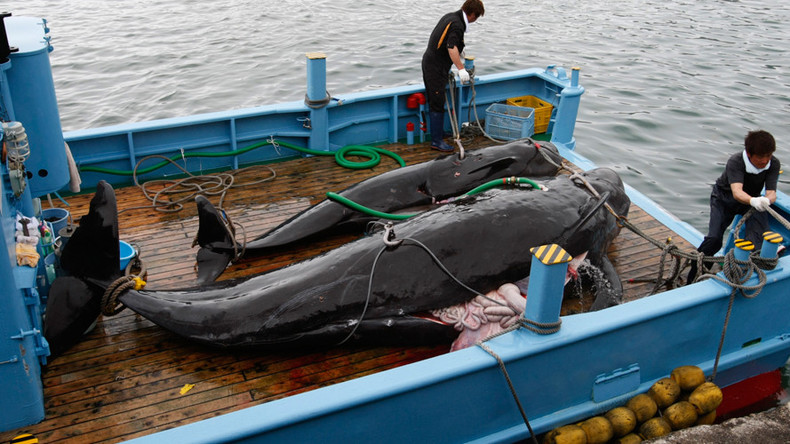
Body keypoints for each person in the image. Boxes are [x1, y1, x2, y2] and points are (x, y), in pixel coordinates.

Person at [688, 129, 781, 282]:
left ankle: (743, 276)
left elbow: (772, 192)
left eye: (768, 155)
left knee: (758, 240)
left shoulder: (773, 163)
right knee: (714, 240)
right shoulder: (736, 161)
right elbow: (737, 192)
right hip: (724, 200)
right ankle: (694, 275)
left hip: (752, 201)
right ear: (749, 154)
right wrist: (753, 201)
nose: (765, 160)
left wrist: (766, 201)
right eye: (760, 157)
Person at [421, 0, 485, 152]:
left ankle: (439, 132)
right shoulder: (457, 24)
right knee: (436, 101)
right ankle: (436, 141)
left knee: (439, 100)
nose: (474, 21)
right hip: (434, 67)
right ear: (472, 14)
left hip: (436, 64)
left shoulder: (451, 16)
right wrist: (461, 69)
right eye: (476, 17)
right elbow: (451, 46)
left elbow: (444, 43)